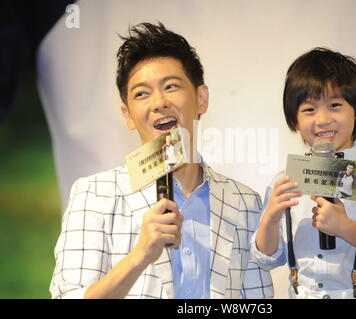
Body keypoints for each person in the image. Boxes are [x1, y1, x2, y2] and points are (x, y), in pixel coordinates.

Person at [49, 22, 273, 299]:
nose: (159, 102)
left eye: (171, 86)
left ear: (201, 99)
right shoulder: (94, 194)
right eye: (142, 93)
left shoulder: (244, 201)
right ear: (128, 115)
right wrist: (140, 255)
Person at [250, 48, 356, 299]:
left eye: (335, 105)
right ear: (294, 119)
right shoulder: (285, 181)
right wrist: (270, 219)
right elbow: (267, 258)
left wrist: (345, 227)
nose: (323, 119)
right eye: (309, 109)